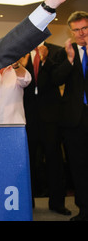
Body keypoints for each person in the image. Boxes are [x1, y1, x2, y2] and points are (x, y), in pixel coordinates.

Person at [22, 42, 70, 216]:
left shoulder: (56, 51)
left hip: (51, 117)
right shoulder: (21, 50)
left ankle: (57, 203)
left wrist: (46, 59)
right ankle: (29, 202)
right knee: (28, 163)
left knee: (54, 161)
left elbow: (59, 79)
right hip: (27, 116)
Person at [52, 11, 88, 221]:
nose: (81, 33)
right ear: (71, 32)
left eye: (84, 28)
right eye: (77, 30)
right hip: (74, 120)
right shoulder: (67, 51)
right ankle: (84, 210)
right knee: (78, 166)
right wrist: (70, 60)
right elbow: (56, 79)